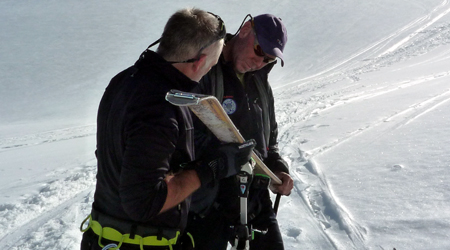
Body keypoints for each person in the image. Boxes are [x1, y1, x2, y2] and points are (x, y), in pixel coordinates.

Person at [79, 8, 257, 250]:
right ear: (201, 61)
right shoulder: (160, 105)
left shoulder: (125, 80)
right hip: (136, 242)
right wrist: (213, 168)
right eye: (213, 65)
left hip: (106, 238)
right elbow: (144, 202)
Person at [186, 14, 294, 250]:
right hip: (207, 200)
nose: (259, 62)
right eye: (259, 51)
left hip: (253, 196)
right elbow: (183, 134)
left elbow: (270, 142)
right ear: (246, 28)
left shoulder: (261, 85)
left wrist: (278, 169)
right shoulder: (204, 68)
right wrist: (225, 158)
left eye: (268, 59)